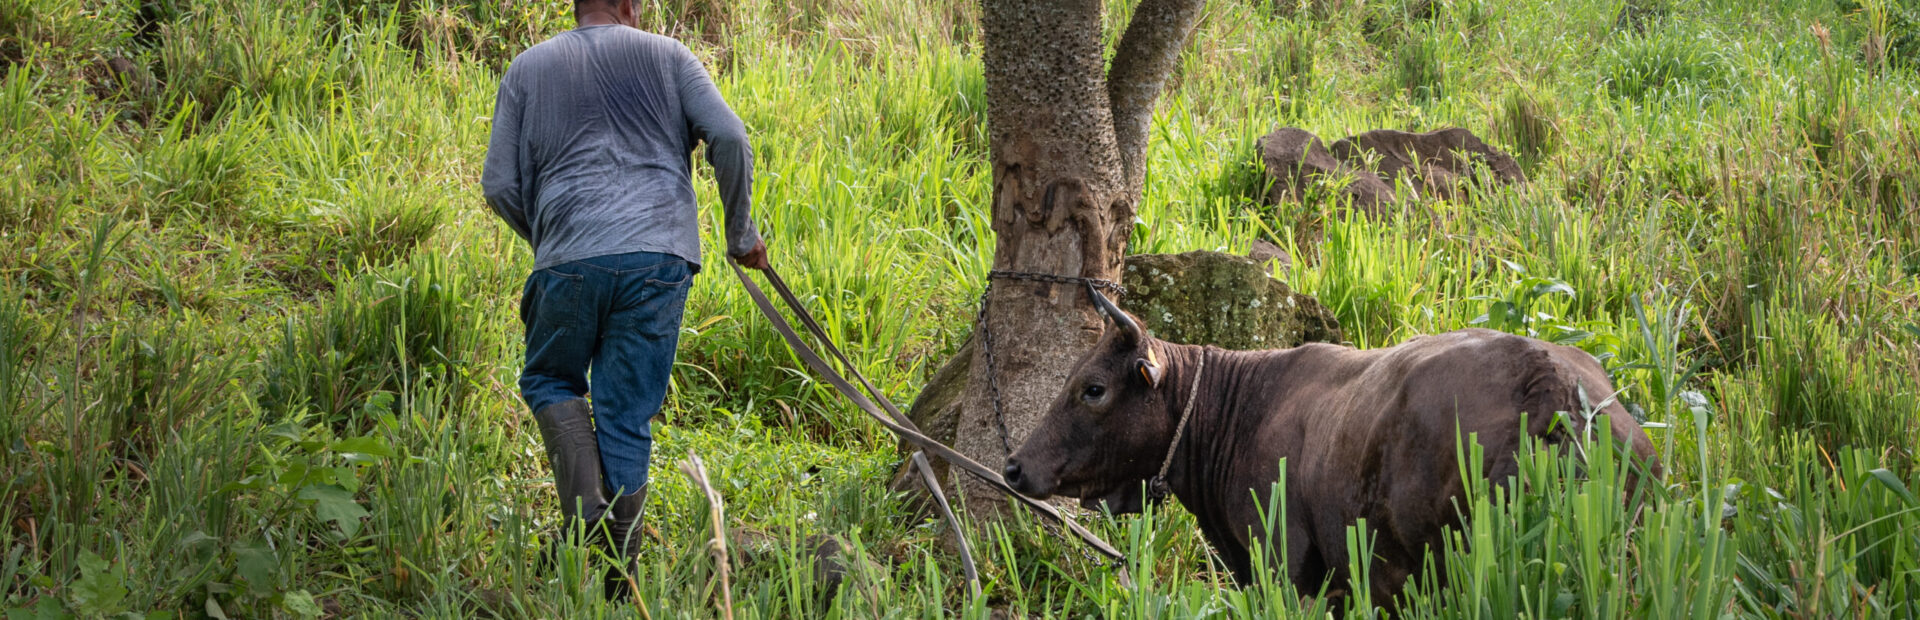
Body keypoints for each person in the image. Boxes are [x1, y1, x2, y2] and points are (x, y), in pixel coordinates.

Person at [480, 0, 768, 599]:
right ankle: (620, 585)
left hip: (567, 257)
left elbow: (499, 185)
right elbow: (730, 136)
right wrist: (740, 235)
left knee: (552, 380)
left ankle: (584, 511)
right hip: (659, 260)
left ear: (576, 7)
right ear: (632, 8)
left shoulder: (527, 68)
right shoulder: (668, 55)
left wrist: (555, 237)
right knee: (626, 412)